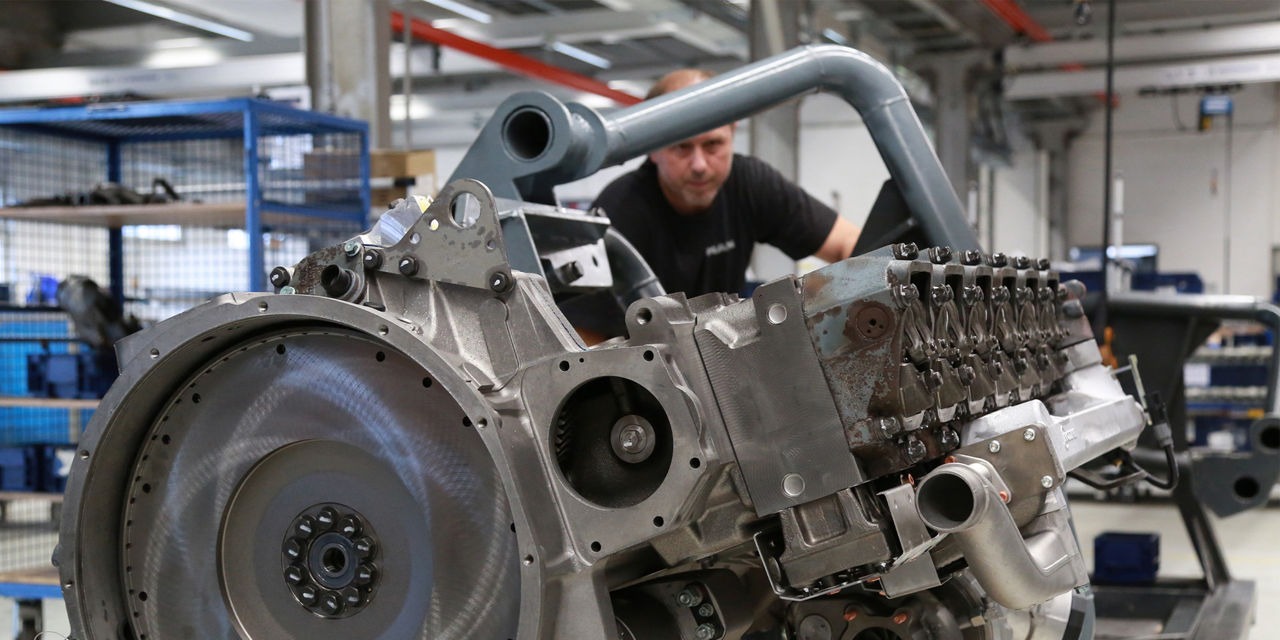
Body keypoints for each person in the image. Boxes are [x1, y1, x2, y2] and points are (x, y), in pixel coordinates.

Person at [592, 69, 861, 298]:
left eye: (713, 145)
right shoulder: (618, 210)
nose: (699, 165)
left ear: (732, 132)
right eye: (681, 147)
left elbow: (850, 244)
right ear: (652, 147)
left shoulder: (750, 183)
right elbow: (583, 340)